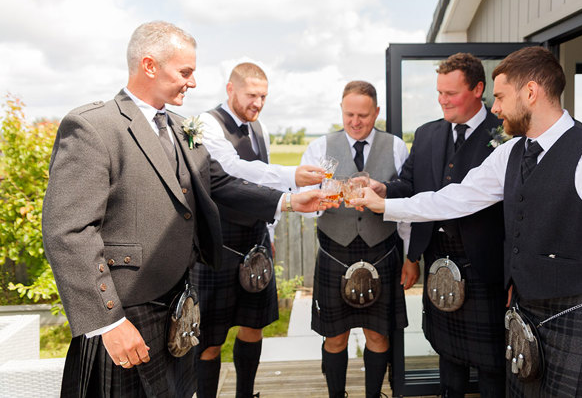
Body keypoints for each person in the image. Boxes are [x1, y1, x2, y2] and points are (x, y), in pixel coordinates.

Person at [354, 47, 582, 398]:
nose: (494, 107)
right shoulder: (510, 152)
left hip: (579, 322)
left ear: (530, 92)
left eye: (499, 96)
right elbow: (453, 198)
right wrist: (384, 204)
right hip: (522, 319)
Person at [42, 21, 327, 398]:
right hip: (126, 312)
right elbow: (69, 232)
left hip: (178, 306)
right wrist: (108, 322)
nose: (192, 82)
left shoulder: (181, 127)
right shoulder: (95, 127)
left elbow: (219, 184)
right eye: (185, 72)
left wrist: (288, 201)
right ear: (149, 65)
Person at [371, 53, 506, 397]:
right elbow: (410, 186)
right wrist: (383, 189)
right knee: (448, 356)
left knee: (492, 363)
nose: (443, 100)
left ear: (478, 89)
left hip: (485, 267)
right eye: (439, 93)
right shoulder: (428, 133)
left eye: (451, 93)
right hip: (438, 260)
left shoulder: (504, 133)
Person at [193, 62, 324, 398]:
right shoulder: (208, 124)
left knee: (254, 325)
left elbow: (261, 183)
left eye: (263, 96)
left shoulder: (258, 128)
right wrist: (293, 175)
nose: (258, 103)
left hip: (255, 241)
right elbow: (233, 171)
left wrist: (271, 233)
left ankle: (245, 394)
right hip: (218, 246)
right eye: (251, 95)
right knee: (210, 337)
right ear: (230, 89)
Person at [300, 81, 409, 398]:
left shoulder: (395, 146)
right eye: (349, 114)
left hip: (383, 252)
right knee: (335, 336)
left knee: (378, 334)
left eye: (363, 115)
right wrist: (319, 202)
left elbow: (405, 204)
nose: (356, 121)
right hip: (335, 251)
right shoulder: (321, 148)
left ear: (376, 112)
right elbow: (302, 201)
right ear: (342, 110)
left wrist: (410, 258)